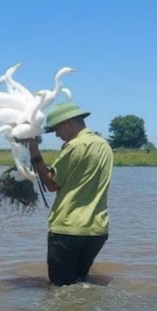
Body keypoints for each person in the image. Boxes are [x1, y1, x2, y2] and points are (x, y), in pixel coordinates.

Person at [24, 101, 114, 286]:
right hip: (97, 230)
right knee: (80, 282)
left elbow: (51, 183)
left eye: (57, 129)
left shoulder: (75, 146)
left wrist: (34, 152)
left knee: (60, 288)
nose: (57, 134)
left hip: (68, 228)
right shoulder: (104, 145)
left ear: (70, 123)